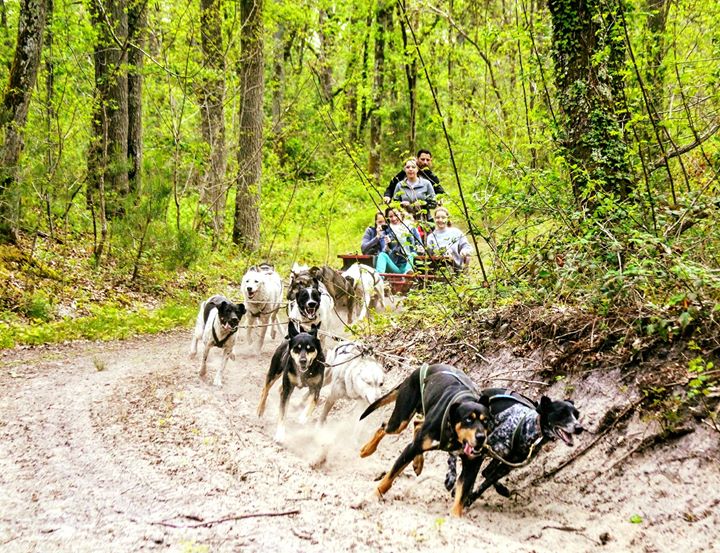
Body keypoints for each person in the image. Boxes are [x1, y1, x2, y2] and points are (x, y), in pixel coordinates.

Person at [375, 207, 423, 275]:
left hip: (410, 263)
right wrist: (387, 245)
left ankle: (408, 273)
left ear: (401, 214)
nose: (394, 218)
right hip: (396, 265)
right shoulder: (387, 230)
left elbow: (419, 244)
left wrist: (420, 249)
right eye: (391, 216)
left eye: (396, 215)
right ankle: (379, 278)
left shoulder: (410, 227)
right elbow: (385, 251)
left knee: (412, 254)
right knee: (382, 255)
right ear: (388, 218)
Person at [425, 206, 472, 271]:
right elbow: (429, 255)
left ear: (448, 218)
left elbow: (467, 247)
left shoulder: (456, 232)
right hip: (438, 269)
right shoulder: (431, 237)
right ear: (434, 219)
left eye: (443, 217)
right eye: (438, 217)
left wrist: (464, 251)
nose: (440, 220)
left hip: (456, 268)